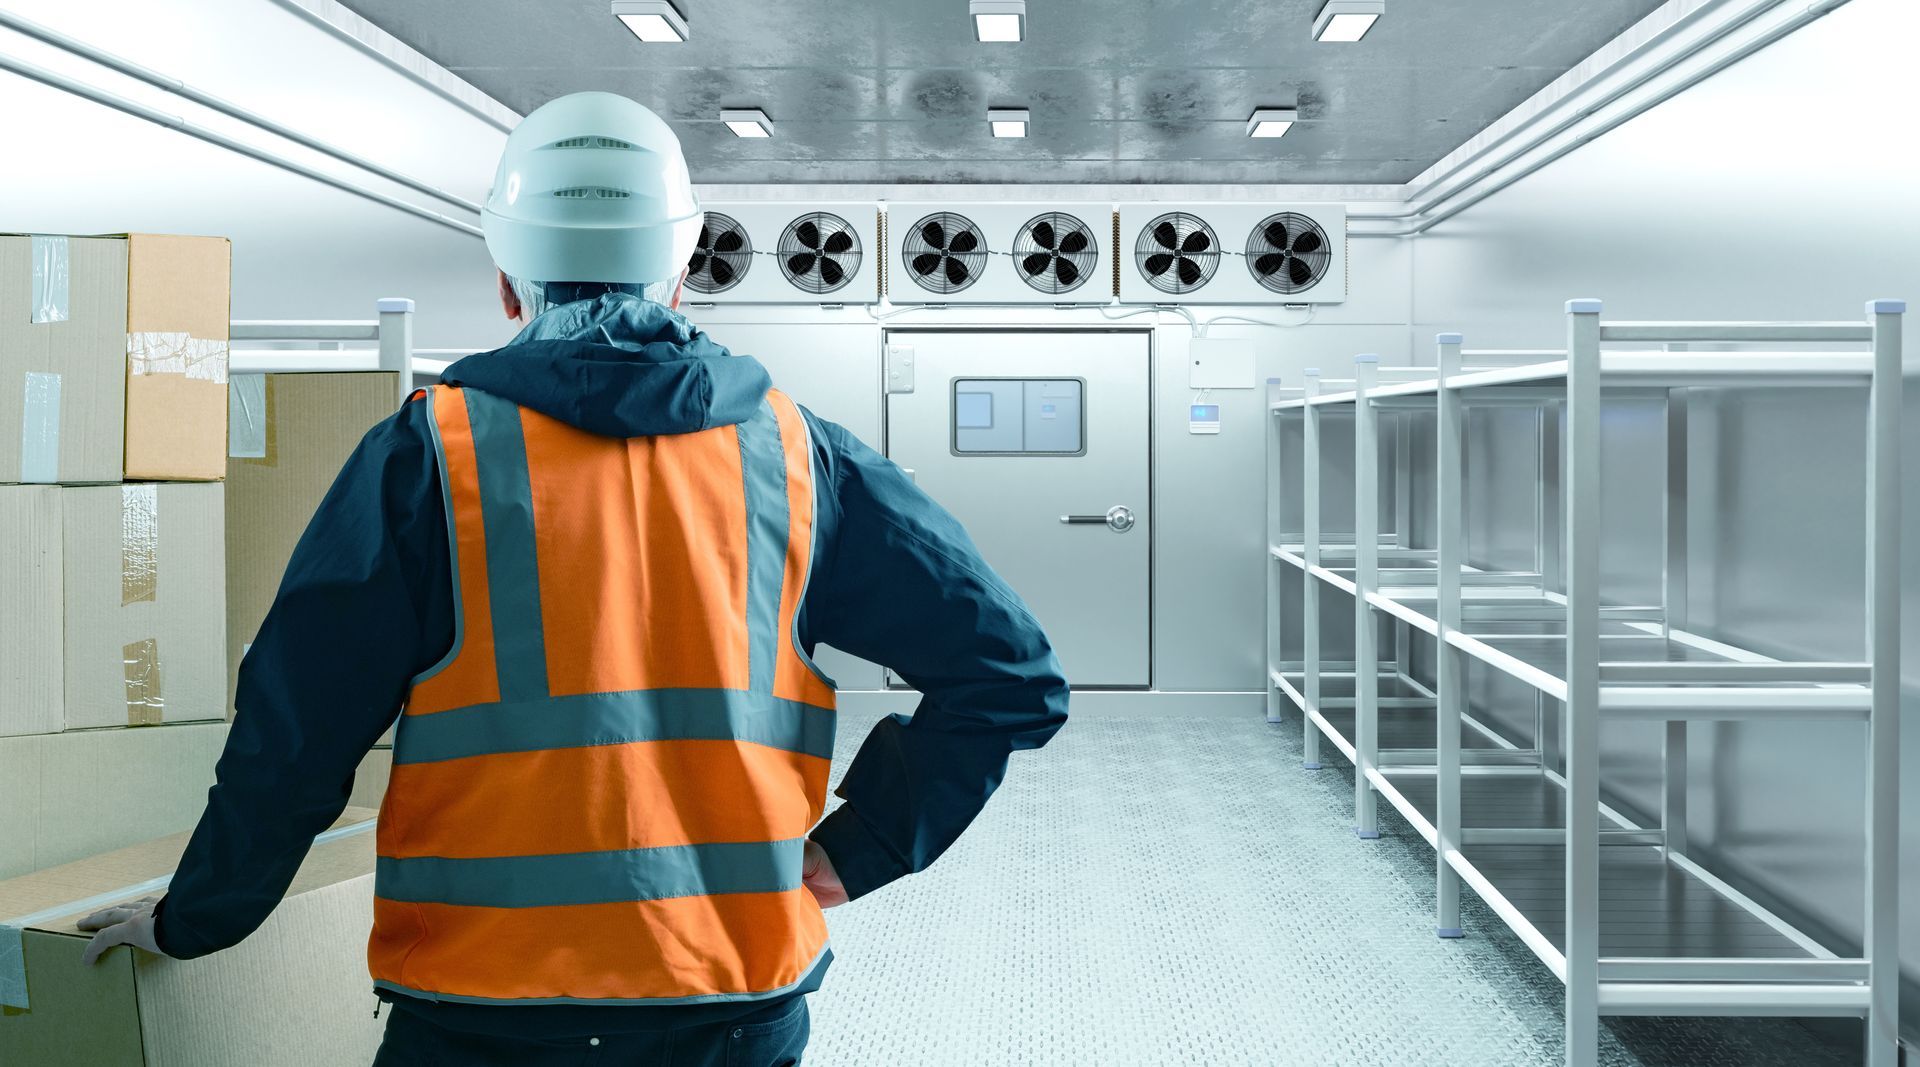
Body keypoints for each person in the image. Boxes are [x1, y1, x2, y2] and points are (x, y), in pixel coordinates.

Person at [78, 91, 1069, 1066]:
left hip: (481, 1010)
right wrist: (864, 847)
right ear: (681, 274)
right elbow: (1010, 672)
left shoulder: (426, 458)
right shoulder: (802, 461)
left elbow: (293, 735)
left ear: (511, 279)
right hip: (727, 1000)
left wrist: (193, 917)